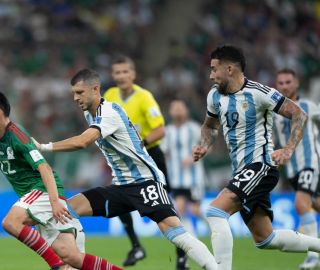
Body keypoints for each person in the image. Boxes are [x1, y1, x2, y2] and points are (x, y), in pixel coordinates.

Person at [35, 68, 218, 270]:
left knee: (174, 232)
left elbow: (82, 142)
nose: (76, 98)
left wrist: (44, 146)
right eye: (73, 94)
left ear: (95, 89)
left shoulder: (109, 112)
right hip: (121, 186)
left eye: (80, 92)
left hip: (145, 182)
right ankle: (75, 264)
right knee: (67, 210)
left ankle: (214, 267)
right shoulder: (90, 114)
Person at [193, 45, 320, 270]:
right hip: (241, 171)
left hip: (261, 166)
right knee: (265, 239)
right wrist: (204, 145)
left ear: (229, 69)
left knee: (215, 211)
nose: (211, 75)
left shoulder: (260, 92)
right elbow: (210, 126)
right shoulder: (215, 96)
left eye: (214, 69)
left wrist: (289, 148)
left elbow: (299, 115)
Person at [0, 91, 122, 270]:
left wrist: (54, 201)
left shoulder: (18, 137)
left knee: (10, 222)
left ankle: (54, 264)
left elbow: (45, 168)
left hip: (44, 191)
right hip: (39, 200)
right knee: (72, 258)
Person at [103, 55, 169, 266]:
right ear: (113, 76)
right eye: (117, 73)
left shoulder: (144, 97)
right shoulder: (110, 95)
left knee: (165, 206)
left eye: (125, 72)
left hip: (150, 157)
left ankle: (182, 252)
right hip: (126, 161)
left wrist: (141, 142)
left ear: (133, 74)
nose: (121, 76)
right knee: (120, 203)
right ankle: (136, 247)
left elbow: (160, 129)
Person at [272, 68, 320, 269]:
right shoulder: (274, 112)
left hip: (310, 163)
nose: (284, 86)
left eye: (288, 82)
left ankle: (314, 256)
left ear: (297, 83)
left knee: (301, 204)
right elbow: (273, 137)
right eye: (281, 83)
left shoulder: (309, 106)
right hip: (291, 169)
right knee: (315, 204)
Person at [162, 100, 206, 270]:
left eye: (181, 107)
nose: (178, 111)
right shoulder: (167, 131)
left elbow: (205, 147)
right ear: (171, 111)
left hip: (194, 179)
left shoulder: (194, 129)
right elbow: (164, 152)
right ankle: (183, 258)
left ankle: (216, 226)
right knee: (178, 214)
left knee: (194, 211)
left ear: (186, 110)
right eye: (175, 108)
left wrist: (195, 156)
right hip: (176, 180)